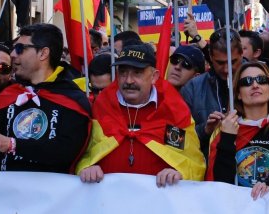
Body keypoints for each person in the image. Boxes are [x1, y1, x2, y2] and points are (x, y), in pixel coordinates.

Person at [0, 23, 91, 173]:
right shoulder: (10, 93)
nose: (13, 54)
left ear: (43, 53)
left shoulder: (72, 99)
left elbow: (66, 151)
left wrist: (12, 144)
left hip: (50, 194)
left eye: (20, 49)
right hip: (3, 192)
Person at [77, 42, 204, 185]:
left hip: (158, 203)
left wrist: (180, 173)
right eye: (123, 73)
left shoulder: (173, 112)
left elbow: (194, 163)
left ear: (154, 77)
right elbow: (82, 154)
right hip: (107, 203)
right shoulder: (100, 108)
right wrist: (87, 167)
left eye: (137, 73)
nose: (129, 80)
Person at [207, 61, 269, 199]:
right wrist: (228, 138)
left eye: (261, 80)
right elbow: (219, 183)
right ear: (239, 94)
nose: (255, 85)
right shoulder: (226, 129)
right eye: (247, 82)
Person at [181, 29, 243, 152]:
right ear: (210, 56)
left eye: (232, 62)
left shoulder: (260, 83)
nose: (226, 69)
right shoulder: (193, 88)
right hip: (206, 166)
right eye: (220, 63)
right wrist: (206, 129)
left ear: (242, 54)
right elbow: (177, 139)